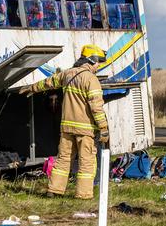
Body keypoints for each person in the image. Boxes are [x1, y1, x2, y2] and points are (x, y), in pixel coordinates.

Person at [19, 44, 109, 199]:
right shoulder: (91, 79)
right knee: (86, 162)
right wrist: (104, 128)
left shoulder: (67, 74)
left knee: (63, 159)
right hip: (85, 129)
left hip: (67, 127)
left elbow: (49, 82)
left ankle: (53, 190)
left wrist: (32, 88)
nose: (98, 66)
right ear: (91, 60)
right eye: (98, 62)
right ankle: (84, 194)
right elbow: (97, 108)